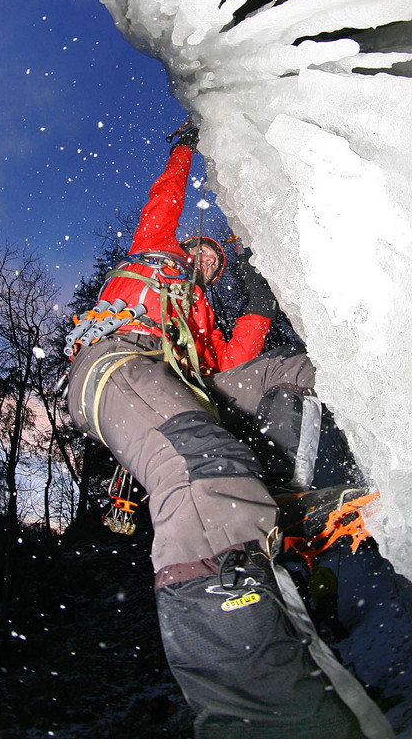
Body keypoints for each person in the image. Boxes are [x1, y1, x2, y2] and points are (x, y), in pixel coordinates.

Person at [65, 122, 392, 739]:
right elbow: (164, 201)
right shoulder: (154, 255)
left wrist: (259, 263)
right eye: (204, 254)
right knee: (201, 469)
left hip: (184, 383)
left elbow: (241, 361)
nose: (207, 262)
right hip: (114, 364)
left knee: (284, 375)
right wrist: (182, 149)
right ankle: (257, 712)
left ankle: (283, 501)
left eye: (215, 262)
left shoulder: (204, 321)